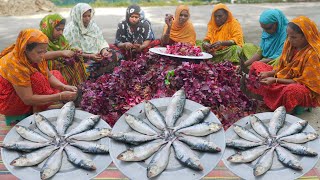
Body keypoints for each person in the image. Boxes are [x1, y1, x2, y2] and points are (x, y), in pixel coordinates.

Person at [243, 16, 320, 113]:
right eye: (288, 36)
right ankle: (268, 98)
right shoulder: (290, 45)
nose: (290, 40)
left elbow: (304, 83)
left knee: (292, 91)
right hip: (283, 77)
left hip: (300, 86)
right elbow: (282, 68)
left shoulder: (313, 54)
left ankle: (282, 107)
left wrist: (275, 80)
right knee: (256, 65)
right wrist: (270, 73)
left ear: (306, 36)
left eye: (294, 37)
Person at [0, 29, 78, 124]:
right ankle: (37, 112)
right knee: (38, 79)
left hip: (23, 91)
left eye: (44, 51)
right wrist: (60, 96)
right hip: (9, 101)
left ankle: (41, 104)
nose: (42, 55)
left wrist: (64, 87)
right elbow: (28, 99)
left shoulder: (35, 57)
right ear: (25, 49)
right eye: (39, 52)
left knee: (56, 74)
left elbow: (49, 76)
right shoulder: (15, 64)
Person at [64, 3, 119, 79]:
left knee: (114, 55)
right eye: (84, 16)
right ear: (77, 16)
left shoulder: (92, 26)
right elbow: (71, 52)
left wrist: (103, 50)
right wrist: (90, 56)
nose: (87, 19)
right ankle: (92, 77)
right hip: (81, 59)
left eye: (89, 16)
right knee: (82, 68)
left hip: (96, 56)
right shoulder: (71, 30)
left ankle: (101, 76)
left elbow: (100, 40)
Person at [40, 13, 88, 86]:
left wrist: (75, 51)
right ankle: (61, 87)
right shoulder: (40, 40)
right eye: (58, 29)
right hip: (47, 71)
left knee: (76, 59)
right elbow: (41, 55)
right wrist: (61, 53)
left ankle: (76, 85)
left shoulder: (60, 38)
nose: (61, 33)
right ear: (49, 28)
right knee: (52, 63)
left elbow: (67, 50)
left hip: (60, 63)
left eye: (62, 30)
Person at [240, 9, 288, 73]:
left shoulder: (287, 33)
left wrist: (258, 63)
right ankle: (257, 68)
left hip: (275, 61)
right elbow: (260, 52)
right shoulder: (267, 32)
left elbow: (281, 55)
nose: (265, 31)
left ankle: (260, 69)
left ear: (277, 23)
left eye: (268, 28)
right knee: (247, 46)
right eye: (263, 28)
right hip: (266, 59)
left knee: (279, 60)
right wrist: (245, 64)